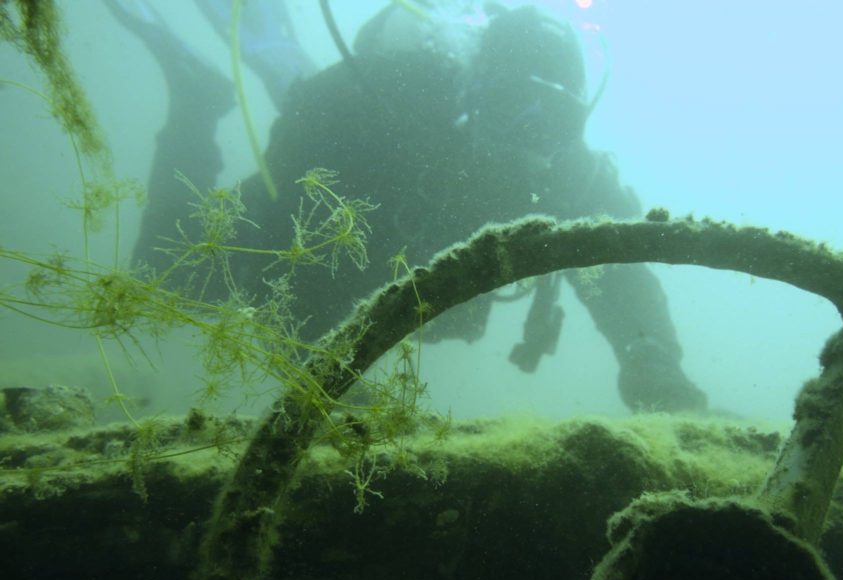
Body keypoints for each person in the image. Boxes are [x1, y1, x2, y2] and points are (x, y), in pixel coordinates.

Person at [105, 0, 708, 413]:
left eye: (550, 117)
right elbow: (283, 276)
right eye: (508, 106)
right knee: (158, 282)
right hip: (312, 233)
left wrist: (650, 356)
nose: (526, 138)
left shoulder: (570, 169)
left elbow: (620, 270)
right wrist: (328, 383)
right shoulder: (375, 118)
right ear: (472, 95)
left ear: (574, 119)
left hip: (389, 275)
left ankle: (274, 61)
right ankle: (195, 99)